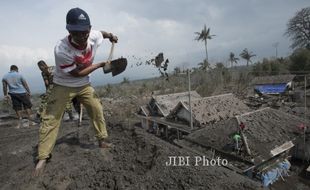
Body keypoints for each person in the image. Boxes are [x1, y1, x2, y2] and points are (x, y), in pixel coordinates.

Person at [34, 7, 118, 175]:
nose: (82, 37)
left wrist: (110, 35)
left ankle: (102, 140)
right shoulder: (62, 49)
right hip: (63, 85)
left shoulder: (92, 35)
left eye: (85, 32)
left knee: (96, 109)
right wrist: (100, 65)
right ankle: (43, 156)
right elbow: (76, 73)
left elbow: (101, 33)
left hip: (84, 85)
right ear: (69, 31)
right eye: (77, 33)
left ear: (89, 29)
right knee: (51, 118)